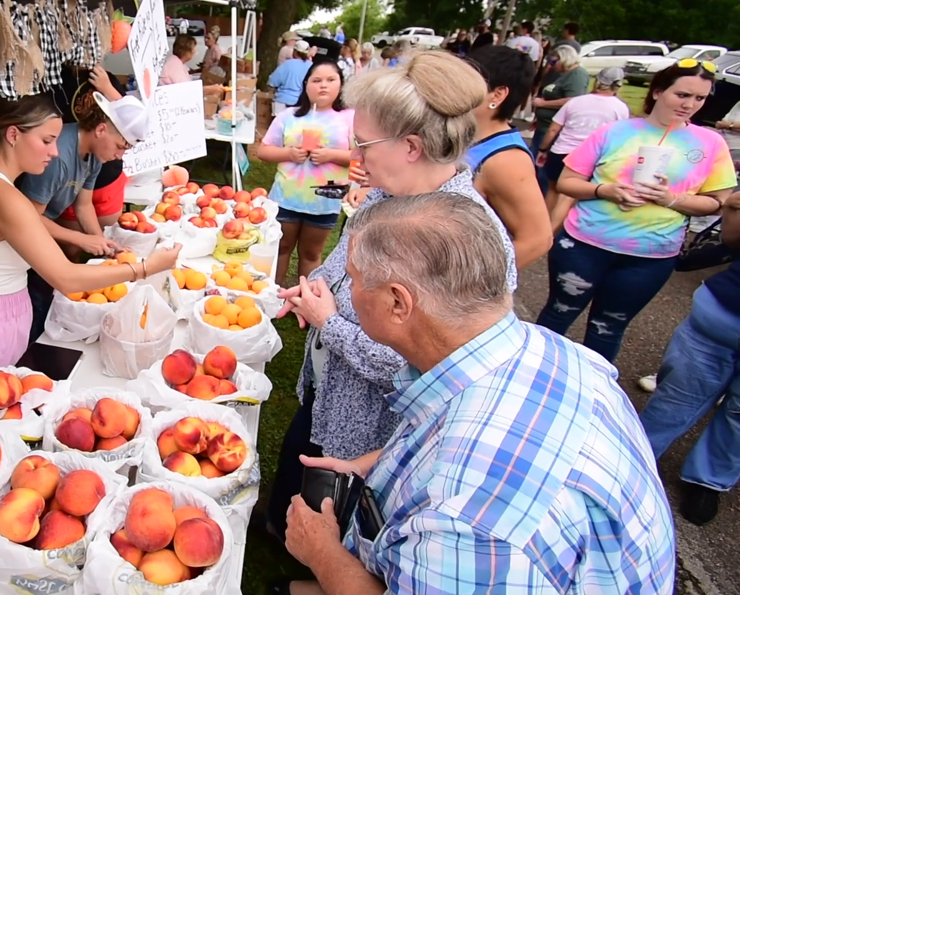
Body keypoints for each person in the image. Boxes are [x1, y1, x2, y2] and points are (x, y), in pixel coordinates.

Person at [280, 193, 674, 594]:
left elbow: (474, 503)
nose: (345, 292)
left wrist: (322, 552)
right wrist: (380, 465)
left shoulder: (470, 521)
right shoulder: (552, 351)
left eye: (354, 280)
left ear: (398, 302)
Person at [260, 50, 514, 547]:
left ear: (412, 146)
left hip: (373, 422)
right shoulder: (388, 191)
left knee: (338, 503)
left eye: (364, 142)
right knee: (301, 465)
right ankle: (279, 528)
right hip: (331, 389)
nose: (356, 156)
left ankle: (316, 558)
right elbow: (346, 261)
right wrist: (316, 288)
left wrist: (328, 322)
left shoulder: (463, 239)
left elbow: (429, 367)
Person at [0, 95, 178, 376]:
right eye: (47, 140)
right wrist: (145, 268)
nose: (55, 151)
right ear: (14, 135)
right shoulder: (4, 196)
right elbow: (65, 277)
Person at [538, 60, 734, 364]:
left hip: (651, 257)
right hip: (584, 245)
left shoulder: (710, 143)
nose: (690, 105)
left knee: (608, 328)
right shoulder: (614, 132)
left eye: (700, 98)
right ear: (657, 91)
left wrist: (670, 199)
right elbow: (567, 182)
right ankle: (531, 377)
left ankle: (592, 395)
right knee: (557, 316)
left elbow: (717, 201)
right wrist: (606, 190)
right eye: (682, 95)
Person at [16, 86, 151, 375]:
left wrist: (102, 243)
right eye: (121, 145)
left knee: (49, 295)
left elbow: (85, 204)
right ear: (101, 129)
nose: (119, 155)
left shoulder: (93, 155)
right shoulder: (59, 157)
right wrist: (80, 238)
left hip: (41, 231)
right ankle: (27, 364)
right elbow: (28, 218)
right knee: (37, 304)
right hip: (22, 241)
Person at [640, 189, 739, 526]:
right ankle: (632, 460)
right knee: (678, 394)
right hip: (720, 319)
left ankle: (707, 479)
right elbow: (733, 218)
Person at [251, 57, 353, 283]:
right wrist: (289, 153)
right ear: (306, 85)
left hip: (325, 201)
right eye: (316, 80)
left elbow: (363, 157)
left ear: (340, 84)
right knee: (281, 247)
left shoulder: (349, 118)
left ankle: (304, 301)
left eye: (330, 79)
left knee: (311, 253)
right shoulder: (289, 116)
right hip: (286, 197)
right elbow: (264, 151)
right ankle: (273, 296)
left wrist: (331, 155)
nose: (323, 85)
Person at [463, 45, 551, 267]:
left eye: (465, 81)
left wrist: (471, 288)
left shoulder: (506, 160)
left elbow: (537, 239)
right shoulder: (462, 134)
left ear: (497, 94)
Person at [538, 66, 629, 221]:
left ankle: (543, 224)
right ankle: (553, 233)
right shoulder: (620, 108)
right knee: (569, 197)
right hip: (590, 157)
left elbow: (553, 129)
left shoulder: (576, 101)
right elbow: (620, 137)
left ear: (597, 81)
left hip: (560, 151)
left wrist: (543, 149)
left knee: (553, 191)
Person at [527, 44, 590, 183]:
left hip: (554, 128)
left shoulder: (577, 75)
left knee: (542, 168)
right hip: (544, 125)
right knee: (533, 164)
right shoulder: (564, 75)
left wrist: (544, 104)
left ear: (565, 59)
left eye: (554, 62)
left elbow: (573, 100)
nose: (552, 65)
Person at [268, 40, 313, 121]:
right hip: (301, 103)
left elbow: (272, 81)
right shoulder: (311, 67)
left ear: (295, 51)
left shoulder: (287, 64)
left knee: (277, 129)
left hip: (282, 102)